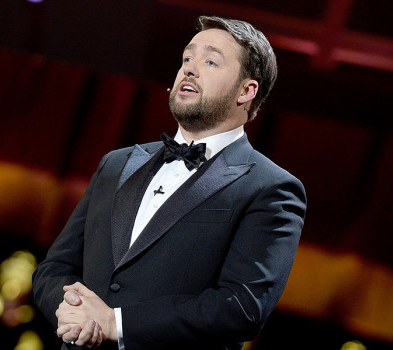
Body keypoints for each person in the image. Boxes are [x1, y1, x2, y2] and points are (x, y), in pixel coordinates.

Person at [31, 15, 307, 350]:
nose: (190, 69)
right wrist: (72, 312)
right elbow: (54, 269)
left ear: (246, 91)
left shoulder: (270, 188)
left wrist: (116, 324)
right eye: (187, 58)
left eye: (210, 62)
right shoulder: (117, 164)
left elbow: (242, 308)